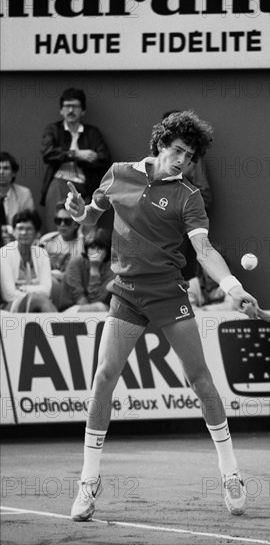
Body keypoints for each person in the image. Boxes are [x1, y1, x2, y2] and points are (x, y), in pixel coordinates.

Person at [65, 110, 259, 521]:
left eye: (189, 156)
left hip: (169, 294)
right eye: (176, 151)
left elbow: (204, 251)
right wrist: (80, 211)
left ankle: (230, 473)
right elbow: (93, 214)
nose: (182, 161)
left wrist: (233, 288)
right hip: (127, 294)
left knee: (201, 381)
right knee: (103, 377)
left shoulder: (188, 195)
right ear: (159, 145)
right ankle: (88, 480)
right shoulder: (117, 175)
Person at [40, 88, 111, 232]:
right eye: (67, 106)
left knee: (86, 231)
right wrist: (76, 154)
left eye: (76, 106)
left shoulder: (92, 133)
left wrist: (85, 160)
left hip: (84, 187)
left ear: (83, 111)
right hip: (58, 184)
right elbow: (48, 154)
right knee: (56, 228)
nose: (71, 110)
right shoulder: (53, 130)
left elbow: (104, 158)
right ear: (61, 110)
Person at [162, 110, 212, 281]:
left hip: (175, 230)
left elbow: (203, 194)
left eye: (188, 155)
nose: (181, 159)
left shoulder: (191, 164)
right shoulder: (135, 171)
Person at [0, 209, 57, 312]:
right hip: (10, 307)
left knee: (41, 302)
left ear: (37, 233)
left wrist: (23, 288)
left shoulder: (42, 254)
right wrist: (35, 295)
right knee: (40, 301)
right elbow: (8, 295)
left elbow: (47, 290)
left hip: (37, 304)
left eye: (29, 229)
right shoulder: (4, 253)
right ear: (13, 231)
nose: (24, 233)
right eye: (20, 228)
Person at [39, 201, 85, 308]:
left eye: (67, 221)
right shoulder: (46, 241)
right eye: (58, 220)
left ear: (76, 223)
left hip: (73, 290)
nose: (62, 225)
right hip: (49, 288)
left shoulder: (83, 244)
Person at [60, 228, 114, 312]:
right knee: (98, 308)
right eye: (92, 247)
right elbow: (80, 300)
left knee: (102, 308)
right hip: (69, 309)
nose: (96, 252)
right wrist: (94, 270)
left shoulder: (111, 267)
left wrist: (94, 270)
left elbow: (98, 300)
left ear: (107, 250)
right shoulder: (75, 263)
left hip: (98, 310)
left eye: (100, 248)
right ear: (87, 248)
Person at [0, 151, 35, 247]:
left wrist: (12, 232)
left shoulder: (24, 194)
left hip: (16, 243)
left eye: (5, 168)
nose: (1, 172)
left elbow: (30, 223)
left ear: (13, 173)